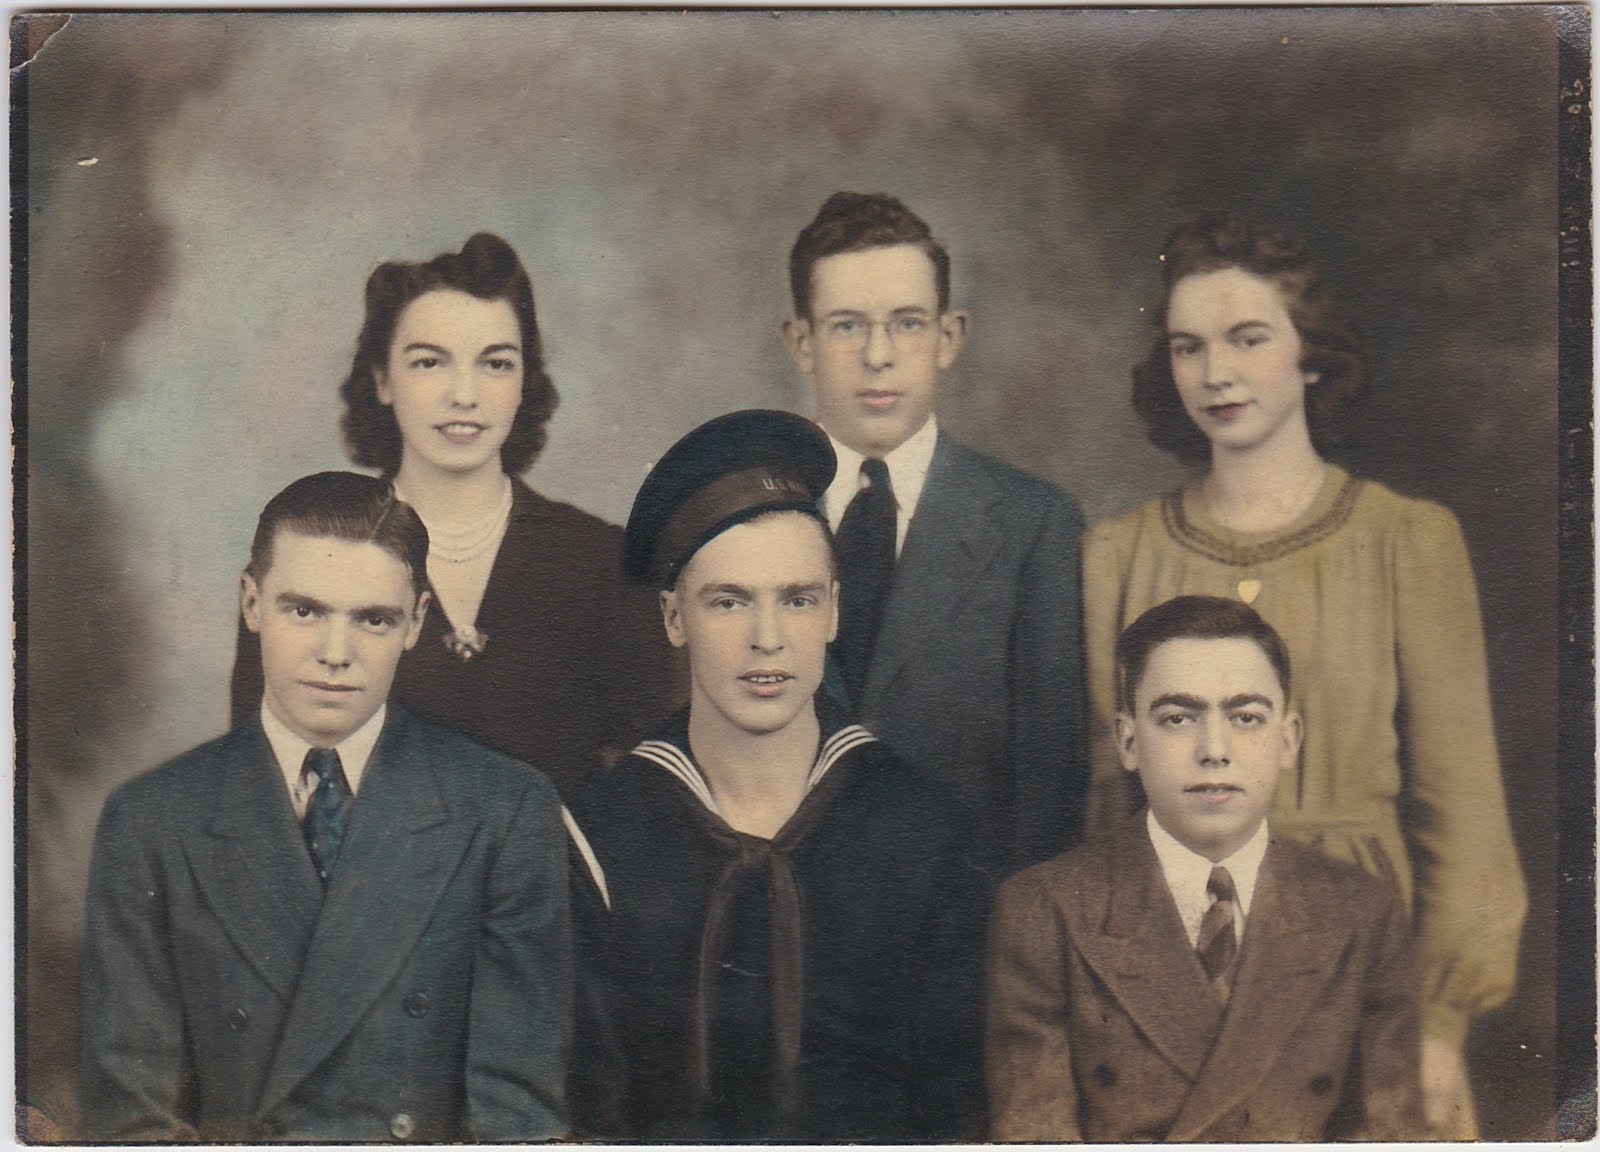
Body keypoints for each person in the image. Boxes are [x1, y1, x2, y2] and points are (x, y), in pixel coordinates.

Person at [1082, 211, 1526, 1137]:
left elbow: (1469, 824)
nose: (1218, 373)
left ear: (1310, 354)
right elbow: (1102, 814)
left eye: (1249, 339)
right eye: (1188, 347)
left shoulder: (1407, 540)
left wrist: (1437, 1030)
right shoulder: (1114, 555)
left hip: (1373, 987)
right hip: (1173, 989)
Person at [81, 472, 570, 1142]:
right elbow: (130, 1122)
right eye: (303, 610)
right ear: (252, 602)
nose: (335, 655)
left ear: (416, 623)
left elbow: (516, 1123)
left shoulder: (506, 811)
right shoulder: (150, 822)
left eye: (373, 619)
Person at [566, 410, 986, 1141]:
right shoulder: (599, 833)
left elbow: (955, 1107)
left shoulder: (922, 827)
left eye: (797, 599)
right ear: (673, 617)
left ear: (833, 611)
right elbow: (586, 1103)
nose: (768, 640)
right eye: (729, 602)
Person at [232, 232, 678, 798]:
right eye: (429, 362)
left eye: (495, 363)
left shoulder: (606, 564)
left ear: (524, 383)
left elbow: (651, 795)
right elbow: (254, 792)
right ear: (382, 380)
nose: (464, 395)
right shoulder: (302, 557)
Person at [987, 595, 1423, 1141]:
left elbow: (1390, 1134)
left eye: (1245, 717)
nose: (1214, 749)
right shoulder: (1045, 908)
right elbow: (1035, 1133)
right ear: (1128, 741)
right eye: (1177, 719)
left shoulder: (1361, 910)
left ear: (1287, 740)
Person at [781, 191, 1087, 877]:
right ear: (800, 342)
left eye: (908, 323)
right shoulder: (745, 511)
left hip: (960, 938)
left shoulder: (1032, 525)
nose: (879, 356)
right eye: (847, 327)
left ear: (950, 337)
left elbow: (1049, 785)